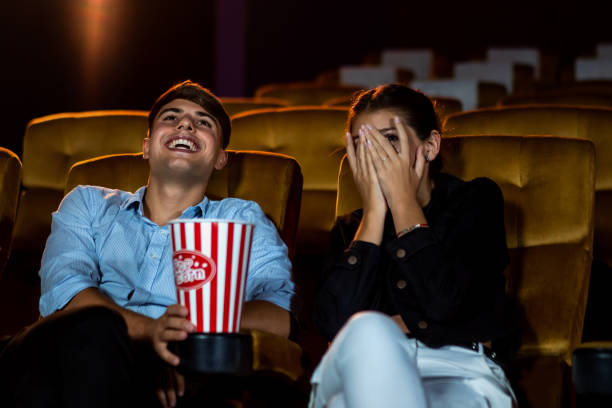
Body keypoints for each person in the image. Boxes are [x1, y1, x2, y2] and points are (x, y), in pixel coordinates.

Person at [0, 80, 295, 408]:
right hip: (53, 356)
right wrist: (151, 332)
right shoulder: (88, 203)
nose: (185, 124)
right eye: (171, 117)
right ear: (145, 147)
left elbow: (279, 316)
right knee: (93, 330)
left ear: (221, 159)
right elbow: (67, 291)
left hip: (165, 379)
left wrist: (177, 340)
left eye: (203, 122)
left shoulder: (241, 218)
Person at [310, 84, 520, 408]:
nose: (375, 156)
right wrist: (376, 215)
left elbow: (446, 303)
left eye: (389, 139)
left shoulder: (474, 201)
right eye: (362, 145)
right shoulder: (351, 230)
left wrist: (403, 201)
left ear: (431, 145)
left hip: (457, 371)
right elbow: (335, 329)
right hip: (365, 374)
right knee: (365, 333)